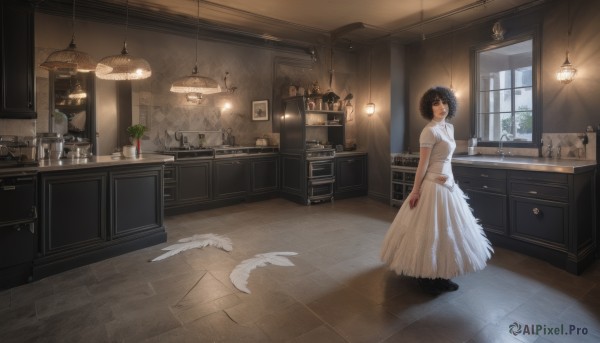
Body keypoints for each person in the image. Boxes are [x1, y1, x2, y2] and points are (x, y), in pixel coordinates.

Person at [380, 86, 493, 295]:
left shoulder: (449, 128)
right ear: (428, 108)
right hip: (432, 186)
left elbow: (447, 160)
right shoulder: (429, 131)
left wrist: (451, 179)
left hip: (449, 185)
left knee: (447, 233)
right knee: (430, 233)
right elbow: (422, 165)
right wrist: (415, 191)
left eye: (444, 102)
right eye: (435, 103)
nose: (441, 107)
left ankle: (441, 274)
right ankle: (425, 276)